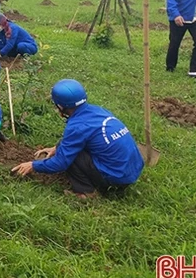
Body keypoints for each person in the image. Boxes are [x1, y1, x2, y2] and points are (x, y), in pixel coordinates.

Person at [11, 79, 144, 199]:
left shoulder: (77, 126)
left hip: (116, 179)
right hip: (131, 172)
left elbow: (60, 163)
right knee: (71, 146)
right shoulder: (98, 111)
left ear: (61, 107)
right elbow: (83, 137)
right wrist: (56, 148)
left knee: (72, 157)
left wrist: (33, 165)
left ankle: (86, 193)